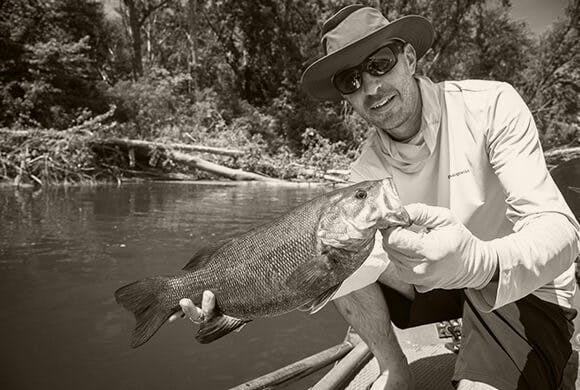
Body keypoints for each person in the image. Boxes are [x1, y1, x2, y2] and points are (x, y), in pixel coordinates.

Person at [170, 5, 580, 389]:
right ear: (345, 96)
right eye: (350, 81)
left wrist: (481, 262)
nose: (370, 86)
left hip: (520, 284)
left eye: (379, 64)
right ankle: (394, 367)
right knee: (332, 254)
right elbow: (318, 270)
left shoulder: (491, 105)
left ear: (410, 59)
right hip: (436, 280)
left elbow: (560, 232)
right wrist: (239, 302)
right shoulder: (365, 174)